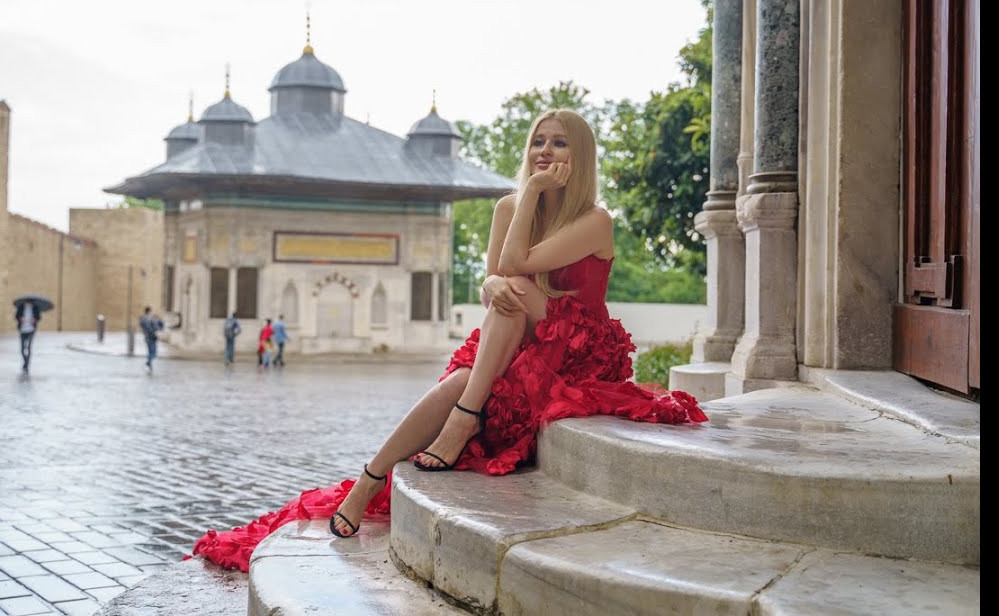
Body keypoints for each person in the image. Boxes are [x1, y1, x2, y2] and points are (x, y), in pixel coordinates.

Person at [192, 110, 706, 570]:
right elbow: (492, 282)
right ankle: (373, 475)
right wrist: (508, 241)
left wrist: (526, 200)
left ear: (580, 155)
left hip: (578, 346)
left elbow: (514, 267)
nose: (544, 151)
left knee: (513, 290)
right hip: (519, 331)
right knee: (465, 370)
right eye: (538, 141)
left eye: (559, 143)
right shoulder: (509, 208)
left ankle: (463, 417)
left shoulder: (594, 220)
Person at [15, 301, 40, 374]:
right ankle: (25, 362)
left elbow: (38, 317)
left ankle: (26, 365)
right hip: (22, 330)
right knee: (22, 349)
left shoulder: (35, 307)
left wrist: (34, 319)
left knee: (28, 347)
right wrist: (20, 318)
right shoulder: (21, 307)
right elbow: (16, 316)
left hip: (31, 330)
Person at [139, 306, 164, 373]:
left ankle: (150, 365)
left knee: (150, 352)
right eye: (151, 311)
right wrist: (159, 321)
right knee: (154, 353)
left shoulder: (143, 319)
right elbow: (158, 327)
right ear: (149, 311)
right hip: (151, 337)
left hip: (147, 337)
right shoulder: (150, 319)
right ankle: (148, 362)